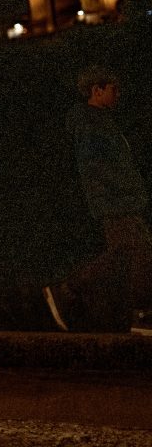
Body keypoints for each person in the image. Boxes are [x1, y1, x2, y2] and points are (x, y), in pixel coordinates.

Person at [45, 65, 152, 334]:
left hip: (121, 199)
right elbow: (96, 167)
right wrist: (126, 190)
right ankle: (68, 290)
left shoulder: (100, 122)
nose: (118, 95)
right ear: (97, 90)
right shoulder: (91, 124)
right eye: (113, 89)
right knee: (133, 252)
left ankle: (138, 314)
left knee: (131, 254)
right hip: (115, 201)